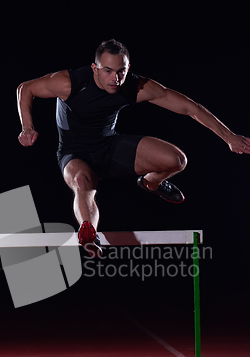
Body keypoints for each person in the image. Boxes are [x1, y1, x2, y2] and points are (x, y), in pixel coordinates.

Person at [17, 39, 250, 257]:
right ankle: (88, 233)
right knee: (81, 182)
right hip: (74, 154)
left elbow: (190, 107)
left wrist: (229, 136)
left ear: (128, 68)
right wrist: (27, 127)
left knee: (177, 160)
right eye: (107, 71)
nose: (115, 79)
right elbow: (25, 88)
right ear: (94, 68)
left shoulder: (135, 86)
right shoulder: (70, 82)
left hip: (109, 147)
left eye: (121, 71)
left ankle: (151, 183)